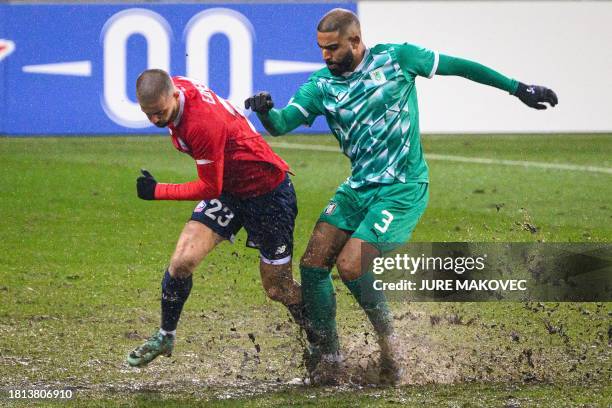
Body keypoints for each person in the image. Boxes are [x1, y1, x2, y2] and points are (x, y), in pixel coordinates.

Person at [244, 8, 557, 385]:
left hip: (402, 189)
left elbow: (458, 66)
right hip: (359, 187)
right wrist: (266, 112)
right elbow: (281, 124)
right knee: (312, 268)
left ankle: (392, 350)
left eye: (332, 48)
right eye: (321, 49)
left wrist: (517, 87)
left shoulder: (398, 58)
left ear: (356, 41)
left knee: (351, 265)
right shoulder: (321, 86)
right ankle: (330, 357)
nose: (325, 56)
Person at [126, 69, 311, 368]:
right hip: (230, 192)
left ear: (174, 96)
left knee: (278, 287)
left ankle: (325, 345)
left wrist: (157, 191)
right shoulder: (176, 91)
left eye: (160, 113)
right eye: (148, 115)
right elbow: (218, 185)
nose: (156, 121)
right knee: (182, 262)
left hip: (267, 194)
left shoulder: (200, 123)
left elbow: (209, 187)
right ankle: (165, 335)